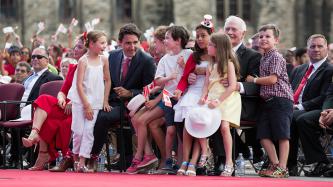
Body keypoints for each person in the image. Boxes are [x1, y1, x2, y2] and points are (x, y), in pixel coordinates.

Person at [90, 23, 156, 171]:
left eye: (135, 43)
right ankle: (78, 156)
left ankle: (93, 158)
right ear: (120, 43)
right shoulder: (112, 56)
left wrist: (130, 93)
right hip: (111, 101)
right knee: (90, 114)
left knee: (102, 117)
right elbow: (104, 81)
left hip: (134, 106)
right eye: (127, 43)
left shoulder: (146, 60)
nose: (132, 47)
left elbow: (151, 90)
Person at [127, 25, 191, 174]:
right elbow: (157, 83)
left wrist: (152, 98)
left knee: (169, 127)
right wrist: (142, 94)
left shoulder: (187, 54)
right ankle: (154, 156)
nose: (155, 45)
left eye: (158, 41)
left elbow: (190, 74)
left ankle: (169, 160)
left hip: (182, 97)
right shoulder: (163, 59)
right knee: (137, 118)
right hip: (167, 98)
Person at [21, 35, 87, 171]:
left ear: (87, 50)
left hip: (80, 106)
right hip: (66, 105)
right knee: (44, 99)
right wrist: (61, 97)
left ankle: (43, 153)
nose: (75, 49)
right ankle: (34, 134)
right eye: (75, 46)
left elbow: (91, 93)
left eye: (79, 47)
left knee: (53, 119)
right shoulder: (73, 68)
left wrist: (74, 102)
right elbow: (63, 91)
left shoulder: (92, 68)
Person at [246, 24, 293, 178]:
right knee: (263, 135)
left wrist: (254, 80)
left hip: (280, 100)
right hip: (267, 101)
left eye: (268, 36)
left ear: (276, 40)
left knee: (282, 135)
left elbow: (273, 79)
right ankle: (274, 164)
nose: (263, 39)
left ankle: (283, 167)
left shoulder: (276, 56)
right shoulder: (264, 57)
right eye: (261, 36)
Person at [173, 15, 213, 176]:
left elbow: (218, 74)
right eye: (198, 37)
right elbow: (185, 77)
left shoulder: (216, 56)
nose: (200, 39)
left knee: (198, 125)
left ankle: (194, 161)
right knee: (188, 126)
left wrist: (205, 71)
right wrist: (179, 90)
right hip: (193, 92)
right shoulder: (193, 56)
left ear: (211, 35)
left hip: (208, 93)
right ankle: (185, 160)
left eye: (203, 36)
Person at [288, 34, 333, 176]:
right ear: (307, 49)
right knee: (279, 114)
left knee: (297, 117)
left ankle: (318, 162)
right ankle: (285, 163)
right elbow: (289, 91)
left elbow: (324, 96)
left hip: (316, 109)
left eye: (320, 46)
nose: (316, 49)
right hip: (296, 108)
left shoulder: (329, 70)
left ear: (326, 48)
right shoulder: (299, 70)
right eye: (312, 46)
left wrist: (299, 107)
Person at [67, 30, 111, 172]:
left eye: (105, 42)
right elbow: (79, 84)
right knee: (78, 131)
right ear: (91, 44)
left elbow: (108, 80)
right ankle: (74, 158)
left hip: (96, 101)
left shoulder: (104, 59)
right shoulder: (83, 61)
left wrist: (105, 100)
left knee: (88, 131)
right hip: (81, 100)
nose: (105, 46)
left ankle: (82, 162)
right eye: (102, 43)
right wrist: (86, 105)